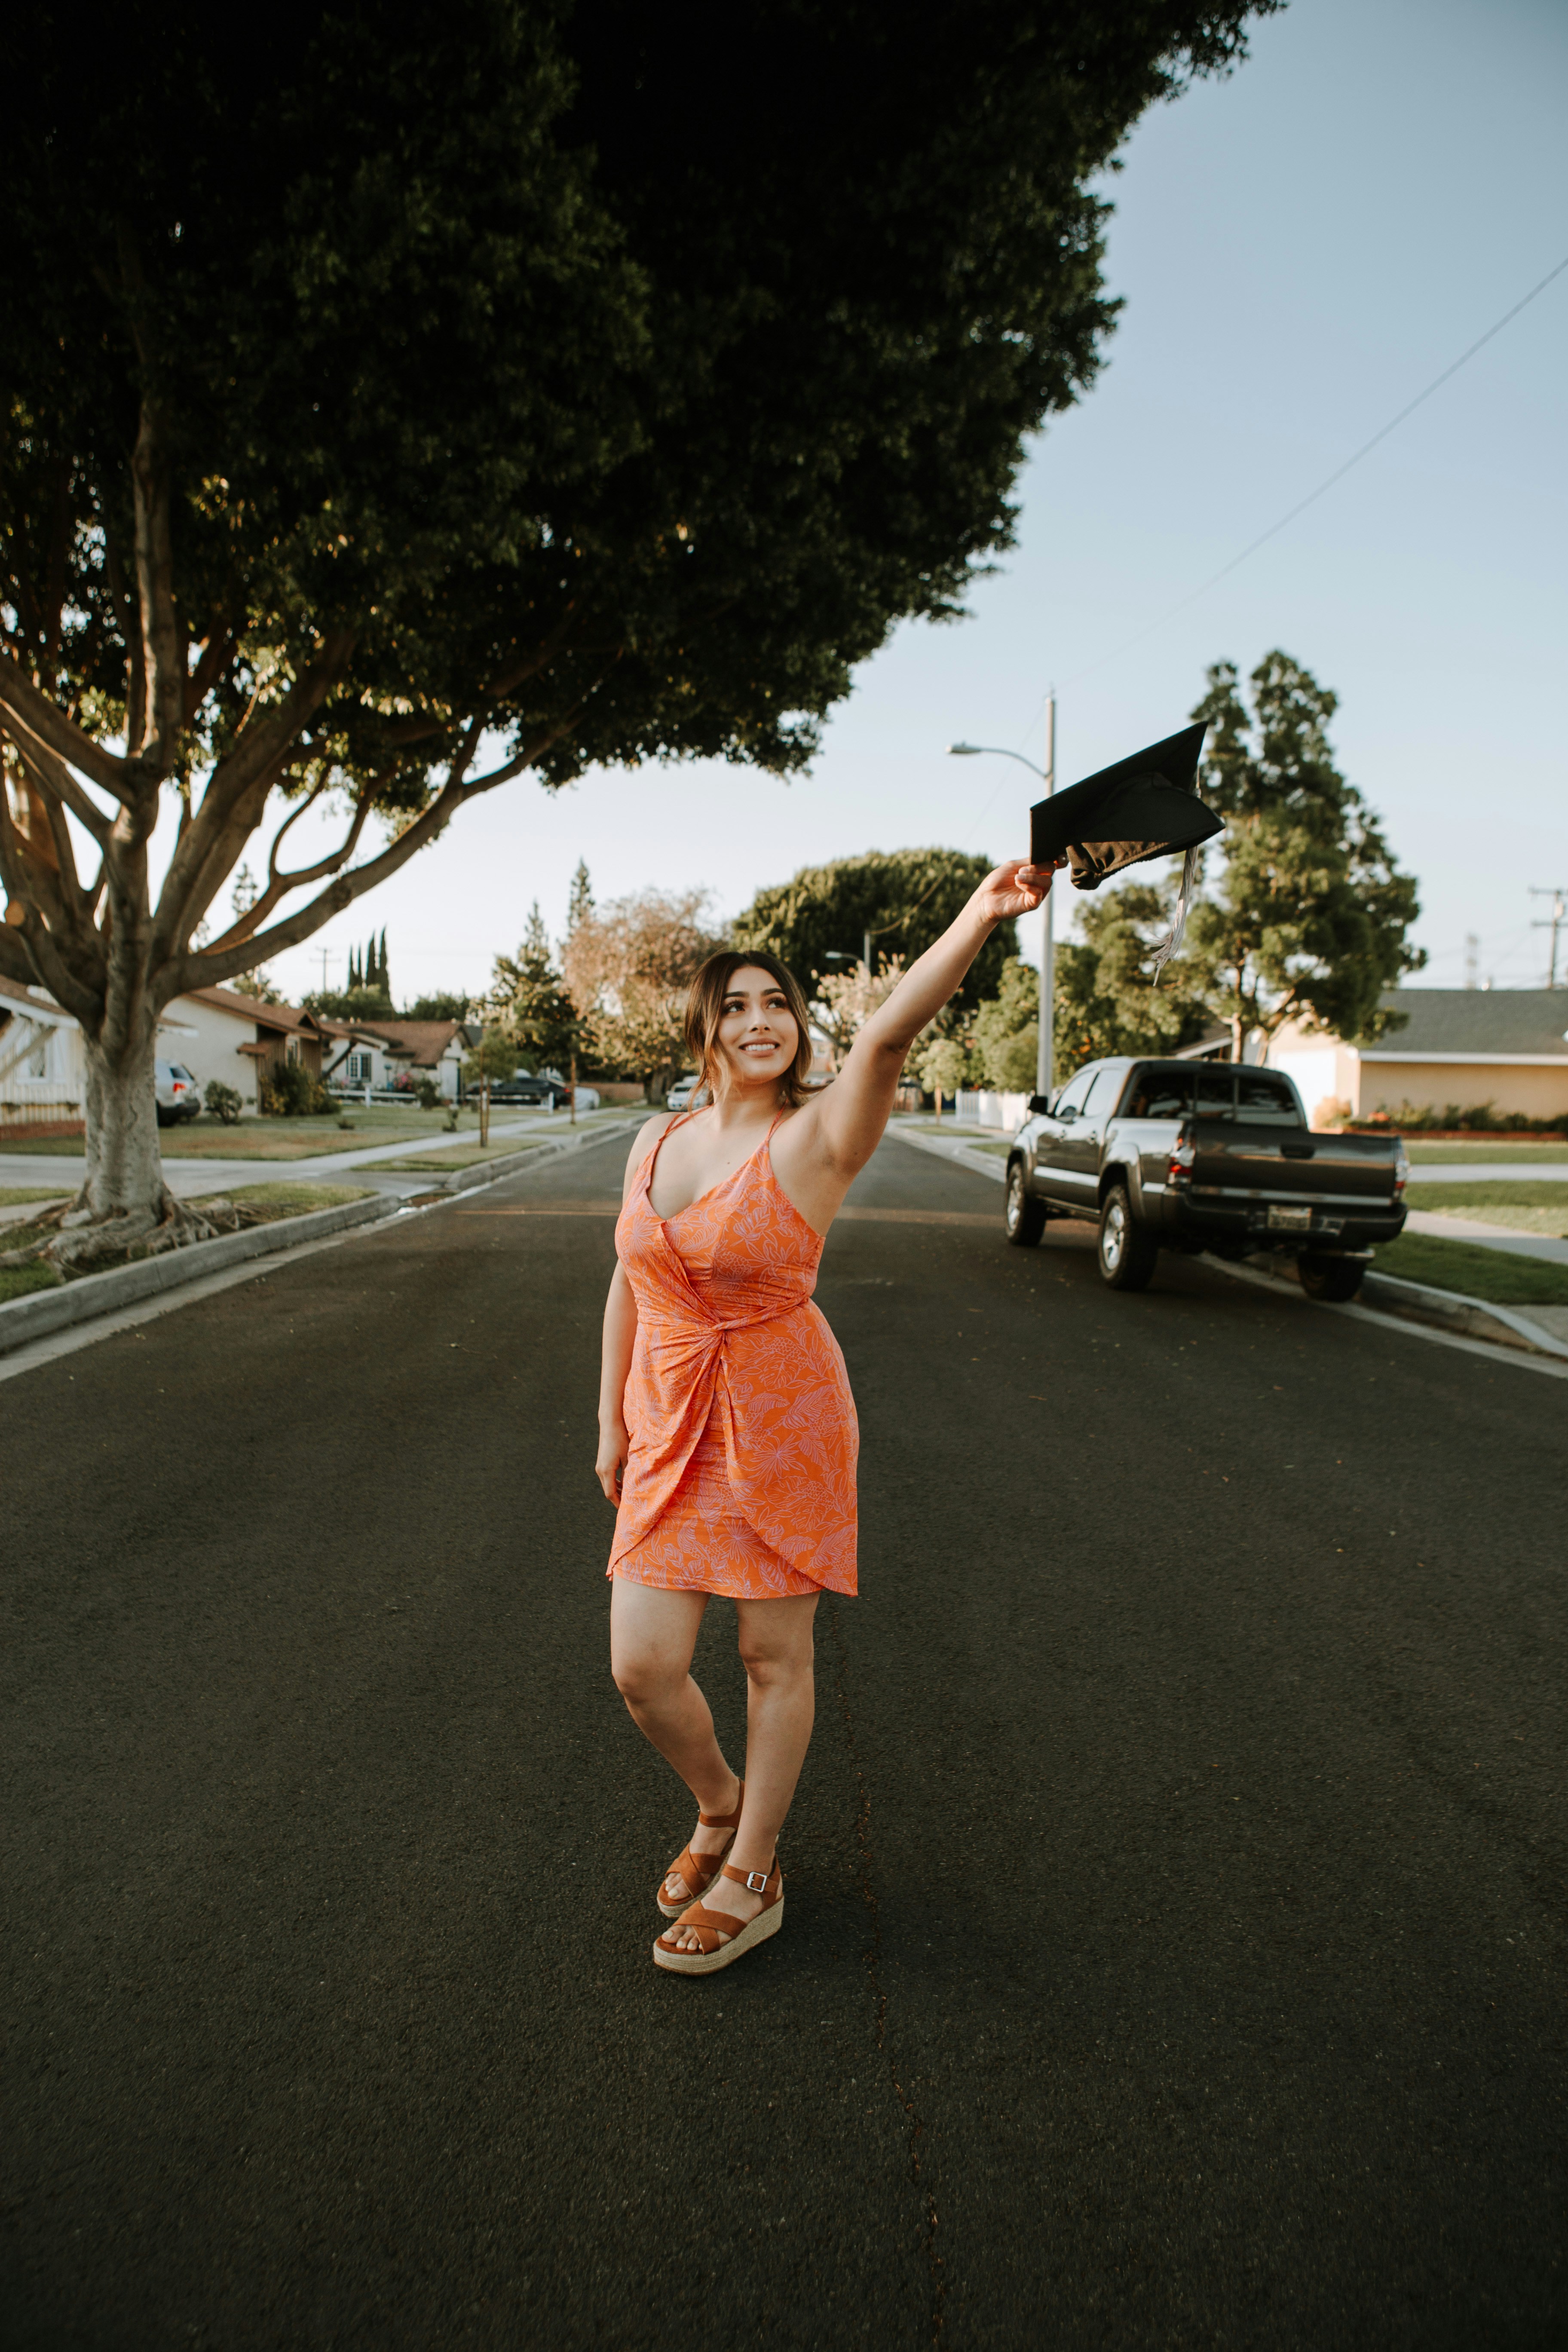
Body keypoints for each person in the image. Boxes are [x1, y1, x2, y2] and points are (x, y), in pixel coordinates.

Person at [596, 857, 1056, 1974]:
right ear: (706, 1030)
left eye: (780, 1005)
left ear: (801, 1028)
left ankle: (754, 1873)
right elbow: (629, 1274)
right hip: (669, 1421)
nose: (764, 1021)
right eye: (738, 1006)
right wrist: (608, 1416)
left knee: (768, 1654)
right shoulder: (655, 1141)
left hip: (782, 1414)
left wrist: (982, 915)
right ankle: (718, 1803)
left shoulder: (814, 1141)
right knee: (644, 1669)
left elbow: (891, 1035)